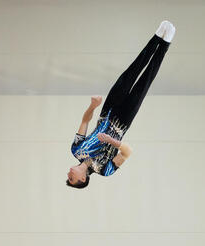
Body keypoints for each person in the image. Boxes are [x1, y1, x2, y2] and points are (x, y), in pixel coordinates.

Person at [66, 20, 175, 188]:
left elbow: (85, 121)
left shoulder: (76, 150)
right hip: (122, 121)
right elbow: (127, 152)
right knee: (145, 81)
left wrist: (92, 106)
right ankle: (165, 44)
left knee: (130, 73)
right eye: (71, 178)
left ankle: (157, 38)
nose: (69, 174)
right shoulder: (104, 170)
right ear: (82, 179)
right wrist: (112, 141)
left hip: (107, 111)